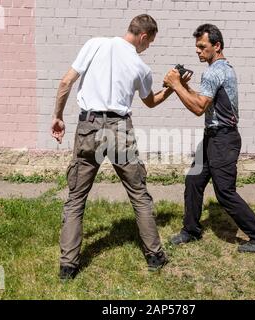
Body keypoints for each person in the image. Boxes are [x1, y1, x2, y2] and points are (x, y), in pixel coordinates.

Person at [52, 14, 187, 280]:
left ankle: (68, 266)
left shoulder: (94, 44)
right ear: (143, 36)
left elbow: (66, 82)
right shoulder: (140, 66)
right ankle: (155, 255)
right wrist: (174, 87)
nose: (146, 48)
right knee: (139, 195)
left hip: (88, 127)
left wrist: (57, 116)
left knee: (76, 199)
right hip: (119, 130)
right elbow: (151, 101)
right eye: (149, 44)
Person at [163, 24, 255, 253]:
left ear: (217, 46)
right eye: (196, 46)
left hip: (223, 139)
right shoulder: (221, 69)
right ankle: (191, 230)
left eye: (202, 46)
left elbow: (198, 108)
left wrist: (176, 86)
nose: (198, 51)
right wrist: (184, 86)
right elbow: (205, 100)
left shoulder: (214, 71)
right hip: (214, 138)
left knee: (225, 193)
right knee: (194, 180)